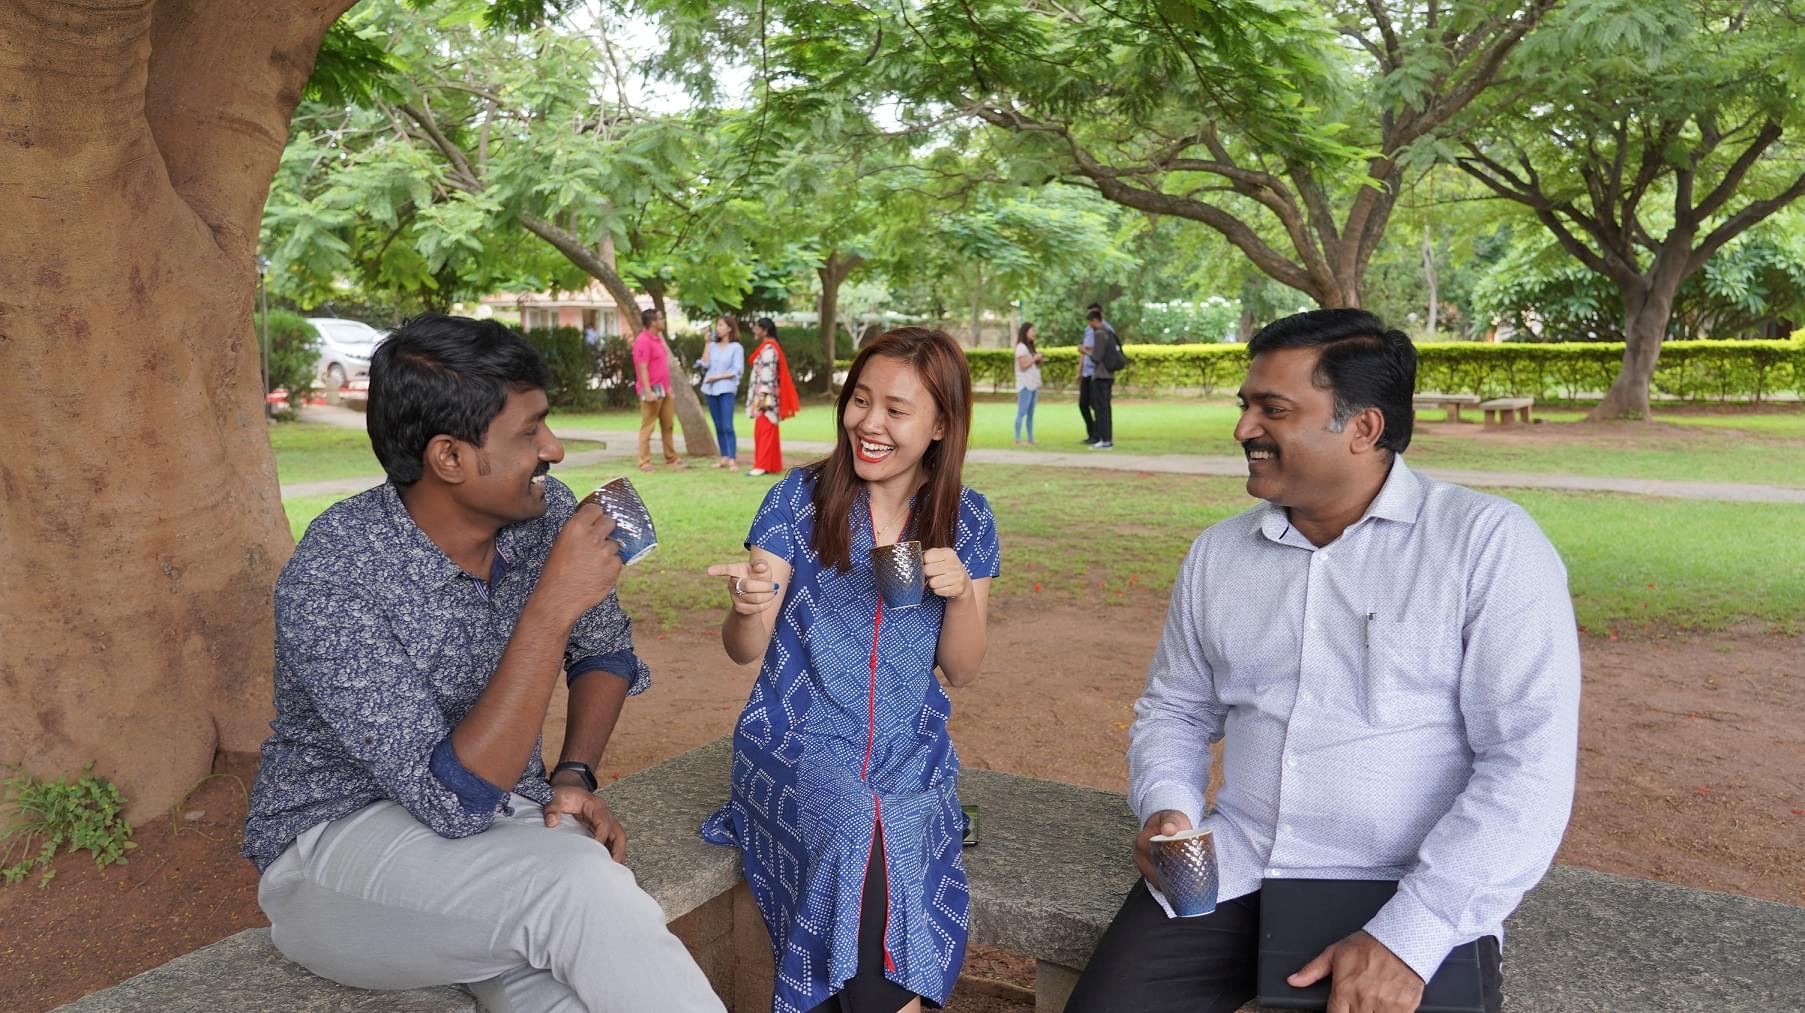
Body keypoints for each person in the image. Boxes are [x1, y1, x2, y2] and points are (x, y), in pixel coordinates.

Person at [1063, 309, 1581, 1013]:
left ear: (1362, 427)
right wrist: (1167, 807)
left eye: (1271, 409)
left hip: (1407, 887)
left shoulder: (1486, 545)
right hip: (1234, 866)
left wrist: (1409, 937)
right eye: (1246, 405)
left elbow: (1528, 762)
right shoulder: (1218, 553)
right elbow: (1175, 710)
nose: (1244, 428)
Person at [241, 314, 724, 1013]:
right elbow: (451, 797)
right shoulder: (338, 573)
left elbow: (606, 651)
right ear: (449, 457)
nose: (554, 449)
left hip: (501, 826)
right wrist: (549, 607)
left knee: (570, 988)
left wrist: (572, 773)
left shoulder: (543, 515)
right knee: (577, 886)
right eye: (529, 433)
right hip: (331, 857)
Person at [699, 327, 1001, 1013]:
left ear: (940, 423)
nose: (868, 422)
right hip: (794, 741)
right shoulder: (798, 500)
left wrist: (957, 594)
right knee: (852, 829)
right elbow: (744, 647)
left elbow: (963, 668)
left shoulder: (967, 518)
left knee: (891, 825)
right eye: (859, 400)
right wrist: (749, 604)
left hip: (910, 749)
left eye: (895, 409)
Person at [632, 306, 686, 473]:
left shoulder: (658, 339)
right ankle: (644, 461)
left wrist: (668, 388)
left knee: (668, 424)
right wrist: (647, 391)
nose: (663, 321)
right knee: (648, 426)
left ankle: (671, 457)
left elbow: (662, 365)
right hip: (651, 389)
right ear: (653, 322)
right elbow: (642, 368)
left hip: (664, 389)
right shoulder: (643, 341)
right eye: (660, 318)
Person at [745, 316, 800, 477]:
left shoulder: (769, 350)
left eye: (757, 327)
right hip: (765, 394)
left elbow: (767, 376)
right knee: (767, 428)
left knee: (765, 428)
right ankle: (770, 464)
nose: (754, 330)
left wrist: (762, 398)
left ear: (764, 330)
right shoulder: (768, 348)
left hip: (765, 396)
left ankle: (762, 465)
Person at [697, 315, 747, 470]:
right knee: (718, 425)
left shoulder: (736, 348)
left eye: (720, 325)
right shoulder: (712, 347)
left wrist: (716, 377)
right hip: (710, 390)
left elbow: (737, 370)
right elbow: (705, 364)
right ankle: (724, 456)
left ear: (729, 328)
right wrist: (707, 343)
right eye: (717, 325)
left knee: (727, 425)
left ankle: (732, 458)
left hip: (726, 389)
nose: (718, 328)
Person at [1086, 307, 1121, 450]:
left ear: (1095, 321)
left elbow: (1096, 357)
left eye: (1090, 323)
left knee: (1101, 408)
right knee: (1105, 407)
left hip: (1101, 375)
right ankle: (1106, 438)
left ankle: (1104, 439)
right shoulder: (1109, 333)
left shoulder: (1100, 334)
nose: (1090, 326)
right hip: (1109, 375)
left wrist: (1086, 352)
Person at [1012, 321, 1046, 445]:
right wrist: (1034, 358)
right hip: (1025, 385)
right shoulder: (1021, 347)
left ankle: (1030, 438)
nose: (1034, 333)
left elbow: (1031, 364)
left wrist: (1039, 359)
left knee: (1031, 413)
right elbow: (1023, 365)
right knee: (1022, 412)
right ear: (1025, 332)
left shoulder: (1030, 347)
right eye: (1032, 330)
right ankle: (1017, 438)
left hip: (1033, 384)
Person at [1078, 302, 1101, 444]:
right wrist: (1079, 370)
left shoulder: (1104, 330)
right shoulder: (1088, 330)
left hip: (1096, 372)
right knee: (1083, 404)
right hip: (1087, 371)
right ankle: (1091, 432)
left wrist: (1086, 350)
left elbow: (1099, 351)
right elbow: (1084, 351)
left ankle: (1098, 434)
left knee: (1096, 405)